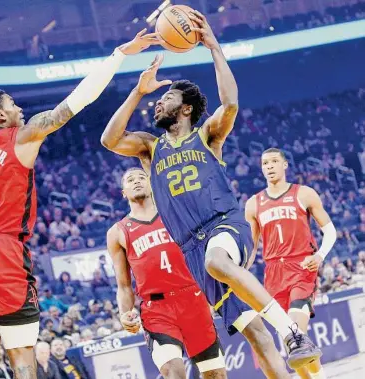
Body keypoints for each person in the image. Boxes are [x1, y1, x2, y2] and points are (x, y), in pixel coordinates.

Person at [0, 31, 160, 379]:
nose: (20, 108)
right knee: (22, 353)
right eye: (13, 104)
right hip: (3, 249)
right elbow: (75, 102)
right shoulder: (23, 137)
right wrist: (119, 54)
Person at [101, 8, 320, 373]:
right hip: (192, 248)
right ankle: (286, 347)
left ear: (185, 108)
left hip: (223, 226)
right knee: (255, 335)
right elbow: (109, 140)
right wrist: (138, 91)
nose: (159, 102)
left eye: (166, 98)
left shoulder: (207, 136)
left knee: (218, 262)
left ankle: (293, 332)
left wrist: (214, 47)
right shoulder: (149, 148)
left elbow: (230, 103)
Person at [107, 168, 226, 378]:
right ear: (123, 192)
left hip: (193, 300)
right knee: (173, 372)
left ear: (152, 184)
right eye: (130, 180)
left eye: (141, 177)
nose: (136, 182)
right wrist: (125, 313)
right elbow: (124, 285)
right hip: (157, 309)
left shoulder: (177, 215)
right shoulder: (118, 232)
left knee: (215, 374)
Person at [245, 148, 337, 379]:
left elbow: (330, 230)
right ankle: (317, 376)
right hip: (273, 272)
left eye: (274, 161)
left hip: (301, 267)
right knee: (291, 347)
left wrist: (320, 256)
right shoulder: (253, 204)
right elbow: (251, 245)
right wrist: (238, 272)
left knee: (297, 333)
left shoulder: (303, 193)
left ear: (285, 165)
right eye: (265, 163)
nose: (269, 166)